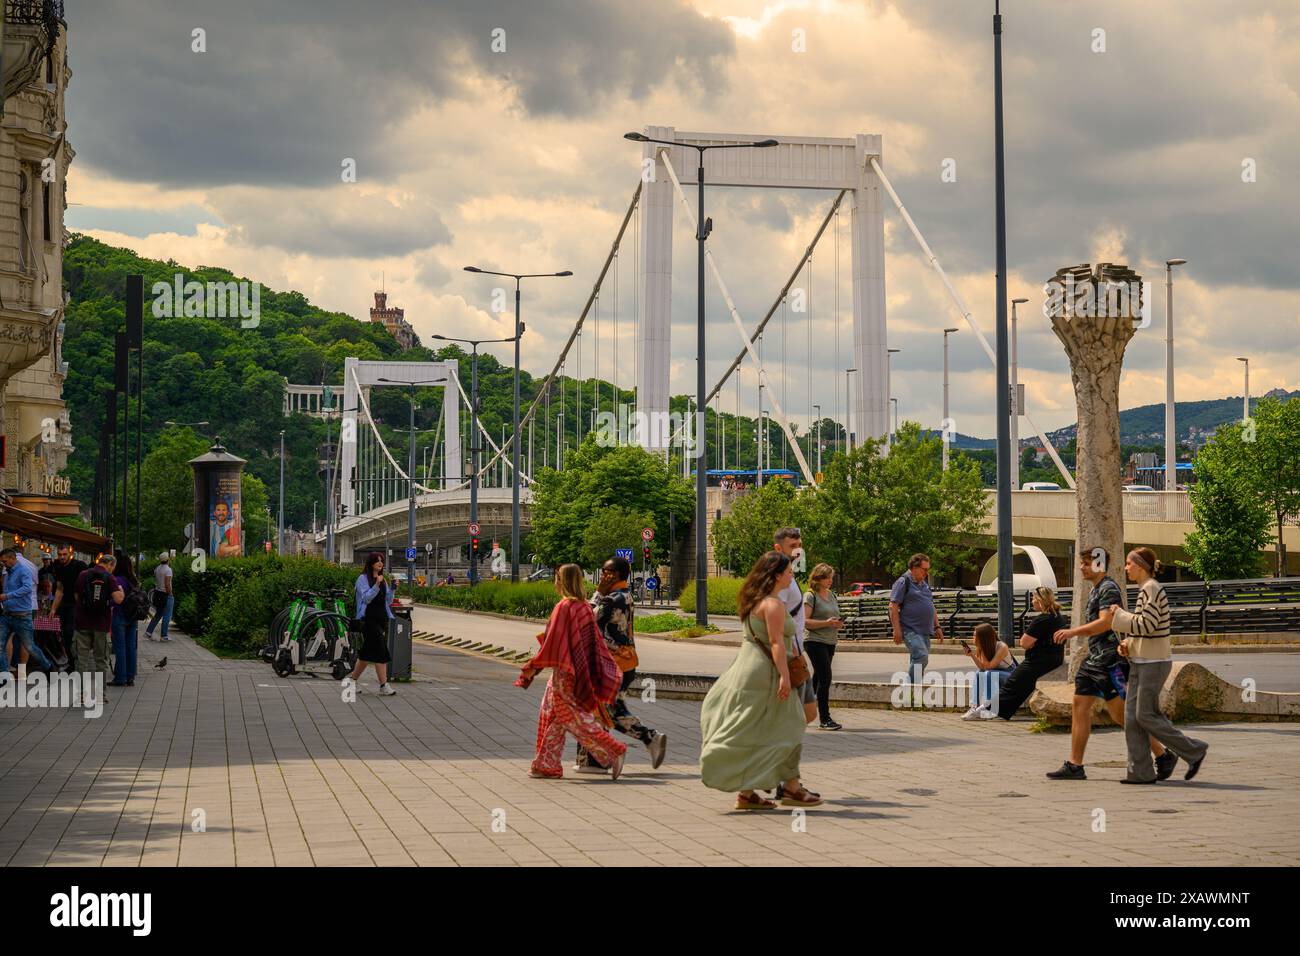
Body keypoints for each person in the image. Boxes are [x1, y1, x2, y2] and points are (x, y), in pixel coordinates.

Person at [700, 551, 820, 810]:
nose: (791, 575)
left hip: (746, 668)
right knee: (791, 726)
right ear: (777, 575)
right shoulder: (773, 604)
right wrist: (785, 679)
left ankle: (748, 793)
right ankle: (791, 788)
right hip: (767, 672)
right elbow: (777, 643)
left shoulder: (753, 600)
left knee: (756, 728)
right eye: (788, 572)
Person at [1046, 548, 1171, 781]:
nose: (1081, 567)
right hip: (1094, 659)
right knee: (1079, 705)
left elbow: (1106, 623)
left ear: (1098, 564)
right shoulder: (1096, 589)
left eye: (1085, 563)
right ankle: (1075, 764)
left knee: (1122, 716)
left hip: (1110, 661)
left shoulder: (1108, 588)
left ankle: (1163, 755)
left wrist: (1072, 632)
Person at [1108, 547, 1209, 783]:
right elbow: (1145, 628)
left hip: (1154, 663)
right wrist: (1128, 645)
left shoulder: (1152, 588)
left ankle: (1194, 750)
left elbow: (1148, 624)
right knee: (1132, 717)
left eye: (1129, 564)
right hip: (1143, 661)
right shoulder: (1146, 589)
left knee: (1145, 715)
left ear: (1141, 566)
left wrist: (1119, 615)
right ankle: (1139, 773)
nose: (1126, 568)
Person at [516, 564, 626, 780]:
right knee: (554, 717)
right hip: (577, 670)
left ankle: (614, 749)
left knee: (573, 716)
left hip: (565, 674)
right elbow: (592, 643)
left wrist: (532, 667)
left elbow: (552, 643)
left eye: (557, 578)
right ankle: (546, 764)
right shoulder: (584, 607)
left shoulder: (564, 607)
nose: (555, 582)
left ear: (562, 580)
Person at [574, 555, 667, 773]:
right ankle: (593, 760)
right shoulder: (624, 595)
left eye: (606, 571)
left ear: (615, 575)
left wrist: (597, 592)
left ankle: (644, 739)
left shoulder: (613, 598)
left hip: (612, 664)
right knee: (602, 710)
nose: (603, 575)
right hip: (621, 663)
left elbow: (585, 617)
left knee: (604, 711)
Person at [988, 586, 1066, 720]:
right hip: (1056, 657)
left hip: (1039, 660)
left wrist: (1033, 642)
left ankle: (993, 710)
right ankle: (996, 710)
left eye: (1033, 598)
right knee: (1022, 681)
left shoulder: (1042, 619)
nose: (1032, 601)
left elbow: (1024, 643)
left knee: (1014, 682)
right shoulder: (1059, 617)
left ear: (1040, 600)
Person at [773, 527, 817, 725]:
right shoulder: (779, 579)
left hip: (796, 653)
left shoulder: (789, 576)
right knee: (800, 715)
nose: (798, 551)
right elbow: (777, 622)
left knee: (808, 713)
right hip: (789, 655)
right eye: (792, 546)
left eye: (800, 546)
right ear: (778, 548)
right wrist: (785, 667)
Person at [74, 553, 124, 696]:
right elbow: (119, 599)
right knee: (101, 661)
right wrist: (120, 591)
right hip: (101, 624)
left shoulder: (83, 575)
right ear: (110, 565)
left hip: (82, 623)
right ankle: (101, 694)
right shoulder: (110, 577)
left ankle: (81, 694)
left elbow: (77, 595)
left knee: (81, 661)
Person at [890, 553, 945, 682]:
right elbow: (893, 606)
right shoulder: (904, 581)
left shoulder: (924, 584)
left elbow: (931, 605)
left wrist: (937, 626)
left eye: (928, 570)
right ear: (914, 568)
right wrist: (896, 629)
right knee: (921, 657)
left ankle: (914, 694)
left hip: (925, 631)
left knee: (917, 659)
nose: (927, 573)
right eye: (924, 569)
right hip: (910, 629)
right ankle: (909, 689)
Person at [347, 551, 397, 696]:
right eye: (377, 561)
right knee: (381, 650)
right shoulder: (362, 579)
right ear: (371, 563)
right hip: (368, 620)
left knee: (366, 654)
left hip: (381, 619)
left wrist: (392, 589)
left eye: (381, 561)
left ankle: (352, 681)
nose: (380, 563)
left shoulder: (383, 580)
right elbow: (366, 598)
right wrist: (376, 584)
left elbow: (388, 601)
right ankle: (383, 685)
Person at [802, 562, 844, 730]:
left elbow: (835, 616)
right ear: (818, 578)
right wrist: (826, 623)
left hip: (830, 640)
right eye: (827, 578)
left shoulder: (832, 595)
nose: (830, 581)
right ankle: (825, 719)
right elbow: (805, 622)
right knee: (825, 677)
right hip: (814, 641)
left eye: (831, 578)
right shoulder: (810, 596)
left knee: (818, 678)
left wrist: (837, 623)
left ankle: (800, 709)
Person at [0, 547, 53, 681]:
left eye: (5, 561)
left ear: (13, 558)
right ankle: (4, 676)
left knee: (30, 646)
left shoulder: (23, 570)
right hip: (7, 615)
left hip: (22, 615)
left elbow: (27, 588)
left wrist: (7, 596)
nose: (3, 564)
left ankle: (48, 667)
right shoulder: (8, 571)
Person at [960, 622, 1015, 720]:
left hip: (1010, 674)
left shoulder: (1001, 646)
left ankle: (989, 708)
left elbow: (989, 667)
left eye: (975, 635)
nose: (973, 637)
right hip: (995, 673)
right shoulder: (983, 647)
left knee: (988, 674)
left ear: (983, 637)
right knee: (978, 673)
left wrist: (982, 649)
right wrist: (972, 655)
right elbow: (982, 667)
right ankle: (975, 708)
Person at [50, 545, 88, 671]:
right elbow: (59, 590)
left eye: (64, 554)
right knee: (64, 635)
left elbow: (87, 585)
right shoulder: (59, 568)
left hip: (77, 605)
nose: (61, 557)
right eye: (60, 554)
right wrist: (53, 608)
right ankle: (71, 663)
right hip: (65, 605)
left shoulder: (79, 565)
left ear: (70, 553)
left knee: (72, 634)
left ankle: (77, 663)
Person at [108, 550, 140, 688]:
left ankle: (120, 677)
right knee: (131, 647)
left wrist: (109, 603)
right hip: (132, 617)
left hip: (120, 615)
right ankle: (130, 676)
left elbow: (116, 600)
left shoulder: (117, 580)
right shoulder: (133, 580)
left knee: (120, 647)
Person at [146, 551, 174, 642]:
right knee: (167, 616)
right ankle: (164, 636)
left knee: (158, 614)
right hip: (166, 594)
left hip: (158, 593)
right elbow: (167, 584)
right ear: (167, 559)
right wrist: (170, 593)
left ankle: (148, 632)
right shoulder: (168, 570)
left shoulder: (157, 569)